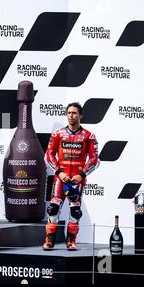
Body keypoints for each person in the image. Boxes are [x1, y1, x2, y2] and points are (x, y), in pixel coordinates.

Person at [43, 102, 99, 251]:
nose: (71, 116)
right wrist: (59, 172)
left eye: (74, 113)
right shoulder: (58, 134)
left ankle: (71, 240)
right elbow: (48, 156)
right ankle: (50, 239)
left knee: (75, 210)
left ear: (80, 115)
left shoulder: (88, 136)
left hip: (77, 180)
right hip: (60, 179)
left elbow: (95, 159)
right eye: (69, 113)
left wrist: (82, 175)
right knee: (53, 208)